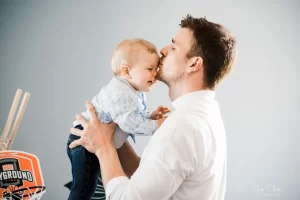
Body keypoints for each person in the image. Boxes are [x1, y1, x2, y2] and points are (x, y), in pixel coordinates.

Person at [69, 14, 237, 200]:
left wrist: (104, 148)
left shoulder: (180, 126)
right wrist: (113, 133)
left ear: (194, 63)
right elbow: (153, 182)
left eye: (174, 47)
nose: (163, 51)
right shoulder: (205, 114)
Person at [66, 38, 170, 200]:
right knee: (83, 188)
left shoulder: (134, 91)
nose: (155, 74)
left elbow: (132, 117)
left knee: (88, 187)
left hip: (97, 139)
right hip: (84, 138)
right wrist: (155, 125)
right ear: (126, 72)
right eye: (150, 69)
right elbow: (129, 123)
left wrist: (150, 116)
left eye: (156, 69)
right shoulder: (120, 93)